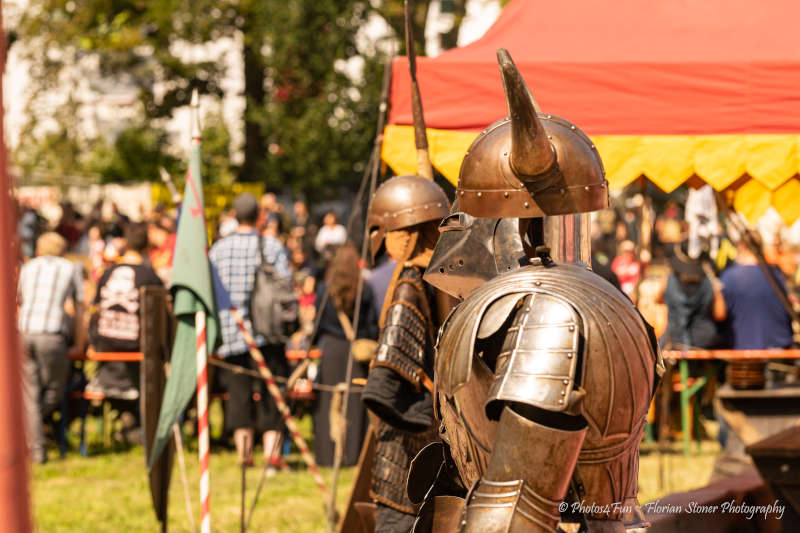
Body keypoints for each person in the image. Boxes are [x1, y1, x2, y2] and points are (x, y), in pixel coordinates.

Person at [410, 50, 662, 531]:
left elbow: (516, 505)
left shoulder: (545, 313)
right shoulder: (603, 299)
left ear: (521, 225)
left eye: (472, 216)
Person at [359, 175, 451, 533]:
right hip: (432, 442)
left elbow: (383, 384)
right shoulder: (436, 280)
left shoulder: (411, 287)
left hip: (411, 449)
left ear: (403, 233)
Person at [209, 193, 291, 469]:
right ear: (259, 216)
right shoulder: (272, 246)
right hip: (267, 330)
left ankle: (244, 454)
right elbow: (285, 289)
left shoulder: (218, 250)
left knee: (238, 392)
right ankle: (271, 454)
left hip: (233, 331)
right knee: (273, 390)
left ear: (233, 215)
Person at [18, 232, 85, 463]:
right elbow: (79, 308)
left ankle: (34, 446)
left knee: (30, 395)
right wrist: (79, 341)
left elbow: (18, 301)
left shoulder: (28, 268)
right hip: (51, 335)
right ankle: (35, 444)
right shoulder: (70, 268)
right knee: (55, 389)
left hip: (24, 332)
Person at [312, 243, 379, 466]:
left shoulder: (323, 289)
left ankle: (328, 455)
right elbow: (372, 327)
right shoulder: (364, 289)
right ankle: (352, 455)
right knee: (353, 404)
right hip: (355, 351)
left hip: (331, 349)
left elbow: (318, 324)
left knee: (329, 401)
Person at [86, 222, 163, 403]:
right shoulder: (150, 276)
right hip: (136, 353)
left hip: (105, 349)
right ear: (147, 246)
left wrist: (92, 341)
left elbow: (95, 310)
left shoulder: (108, 273)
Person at [718, 236, 794, 350]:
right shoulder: (775, 275)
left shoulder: (729, 276)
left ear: (741, 247)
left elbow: (719, 314)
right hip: (778, 346)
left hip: (742, 348)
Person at [658, 242, 726, 350]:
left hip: (674, 341)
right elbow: (720, 314)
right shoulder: (709, 282)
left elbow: (658, 300)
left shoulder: (667, 280)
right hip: (703, 342)